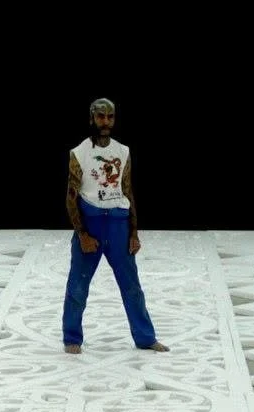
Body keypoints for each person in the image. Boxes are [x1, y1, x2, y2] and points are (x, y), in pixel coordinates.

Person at [61, 98, 169, 355]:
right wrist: (82, 234)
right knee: (78, 285)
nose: (106, 121)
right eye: (101, 116)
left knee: (132, 285)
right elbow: (71, 197)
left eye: (110, 116)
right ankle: (72, 337)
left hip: (118, 223)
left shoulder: (123, 151)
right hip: (91, 223)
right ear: (91, 118)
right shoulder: (79, 153)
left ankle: (145, 337)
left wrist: (134, 232)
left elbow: (127, 191)